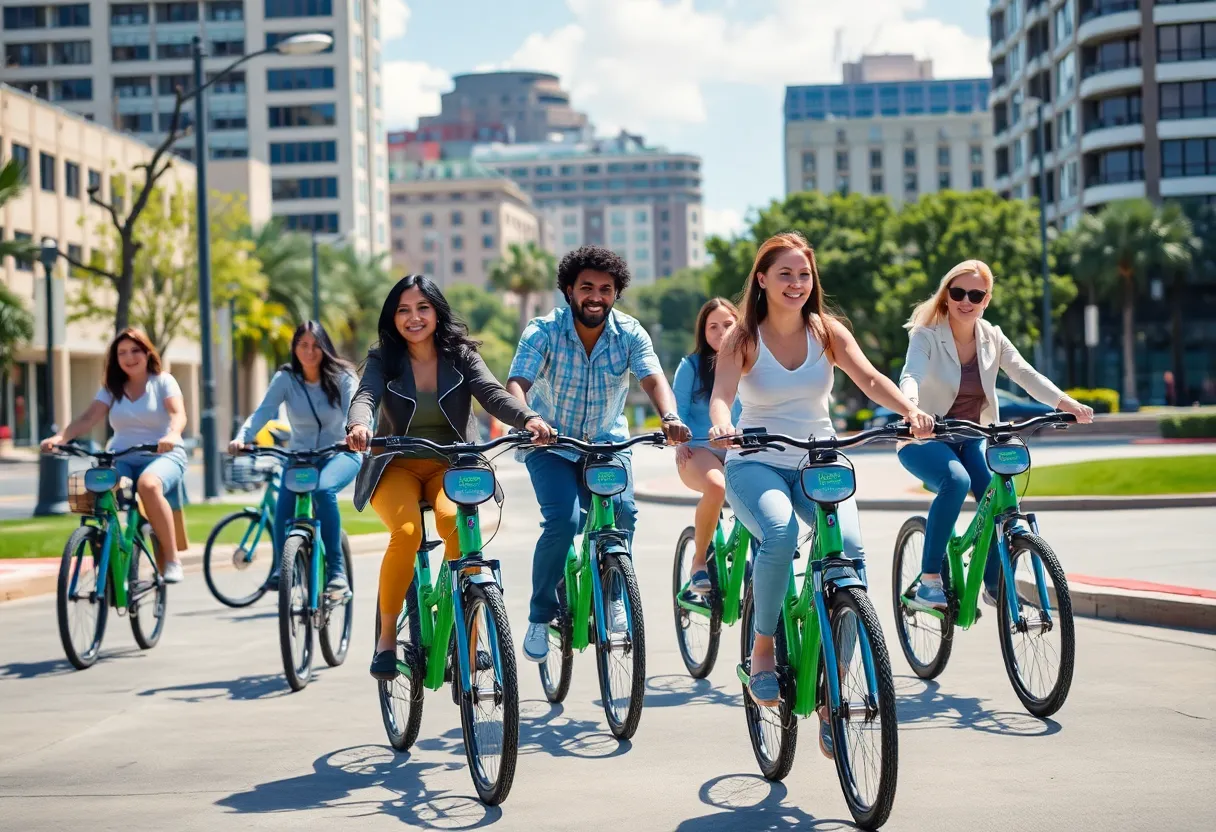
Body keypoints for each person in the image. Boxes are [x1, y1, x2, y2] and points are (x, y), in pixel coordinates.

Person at [708, 232, 934, 751]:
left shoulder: (826, 332)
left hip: (820, 461)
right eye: (785, 274)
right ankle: (762, 648)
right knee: (781, 533)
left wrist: (909, 411)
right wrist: (722, 426)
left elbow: (871, 379)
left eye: (804, 275)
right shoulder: (741, 338)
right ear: (761, 279)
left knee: (850, 556)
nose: (796, 283)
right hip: (756, 461)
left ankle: (835, 687)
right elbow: (722, 398)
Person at [346, 274, 553, 680]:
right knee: (406, 533)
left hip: (453, 464)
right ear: (393, 318)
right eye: (403, 310)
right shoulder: (382, 358)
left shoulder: (460, 355)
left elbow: (492, 394)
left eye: (422, 308)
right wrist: (358, 425)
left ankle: (470, 630)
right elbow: (366, 396)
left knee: (458, 528)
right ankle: (387, 639)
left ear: (437, 313)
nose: (414, 317)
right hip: (396, 463)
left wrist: (528, 417)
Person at [506, 245, 691, 664]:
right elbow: (517, 381)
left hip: (607, 444)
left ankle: (613, 596)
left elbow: (652, 378)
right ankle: (541, 614)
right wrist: (529, 418)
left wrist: (671, 416)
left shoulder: (630, 333)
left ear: (615, 293)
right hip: (550, 444)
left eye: (605, 289)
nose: (595, 296)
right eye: (586, 287)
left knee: (622, 514)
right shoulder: (543, 330)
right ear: (569, 289)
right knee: (564, 520)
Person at [896, 260, 1093, 612]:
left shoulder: (992, 337)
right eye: (958, 293)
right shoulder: (926, 335)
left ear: (987, 299)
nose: (966, 301)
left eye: (976, 294)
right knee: (955, 481)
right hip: (924, 438)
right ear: (946, 296)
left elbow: (1025, 374)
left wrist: (1068, 404)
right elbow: (911, 374)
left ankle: (992, 583)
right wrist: (913, 410)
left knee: (1002, 496)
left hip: (972, 436)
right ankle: (928, 581)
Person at [41, 328, 189, 582]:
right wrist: (61, 438)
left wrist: (173, 435)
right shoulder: (112, 389)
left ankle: (173, 559)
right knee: (94, 488)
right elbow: (89, 417)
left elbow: (178, 414)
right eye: (122, 353)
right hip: (122, 455)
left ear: (147, 353)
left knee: (148, 485)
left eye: (135, 351)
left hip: (163, 454)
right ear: (115, 358)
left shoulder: (163, 381)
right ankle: (105, 549)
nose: (129, 357)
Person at [230, 321, 360, 595]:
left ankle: (336, 571)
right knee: (283, 506)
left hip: (340, 453)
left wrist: (354, 432)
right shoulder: (286, 378)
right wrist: (243, 437)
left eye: (316, 345)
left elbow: (356, 410)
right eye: (303, 345)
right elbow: (263, 412)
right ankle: (282, 568)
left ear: (325, 347)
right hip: (301, 457)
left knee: (324, 491)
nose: (310, 351)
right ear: (294, 348)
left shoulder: (343, 376)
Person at [672, 298, 743, 595]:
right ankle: (699, 562)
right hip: (698, 450)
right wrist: (679, 439)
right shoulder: (690, 366)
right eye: (712, 326)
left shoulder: (751, 361)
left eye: (728, 324)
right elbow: (677, 411)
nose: (721, 331)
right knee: (716, 487)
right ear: (703, 332)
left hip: (742, 451)